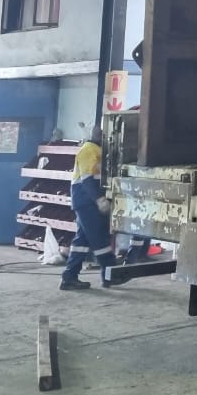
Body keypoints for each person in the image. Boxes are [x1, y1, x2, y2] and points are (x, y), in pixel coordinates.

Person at [59, 123, 118, 291]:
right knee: (99, 238)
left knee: (82, 241)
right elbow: (87, 180)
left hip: (87, 202)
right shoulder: (88, 150)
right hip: (87, 202)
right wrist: (99, 199)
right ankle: (110, 274)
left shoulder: (98, 150)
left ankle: (69, 278)